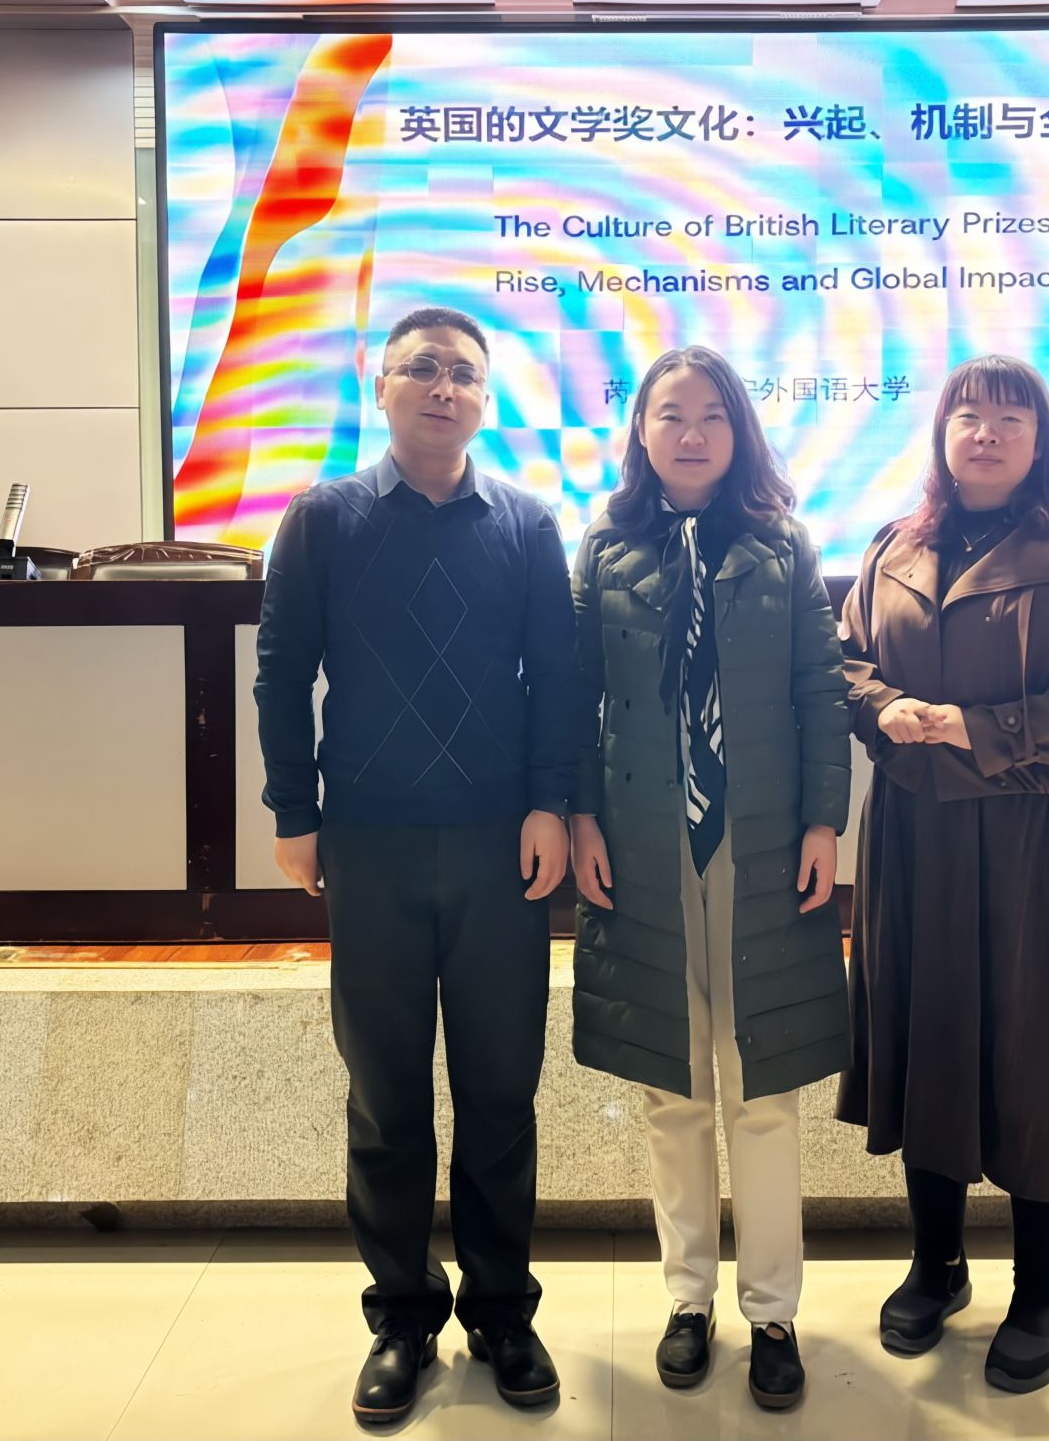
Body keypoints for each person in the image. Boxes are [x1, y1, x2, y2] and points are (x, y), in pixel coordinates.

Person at [255, 307, 579, 1426]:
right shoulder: (323, 517)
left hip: (499, 848)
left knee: (500, 1090)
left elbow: (557, 677)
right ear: (381, 383)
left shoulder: (526, 522)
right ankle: (400, 1316)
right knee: (386, 1094)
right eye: (424, 369)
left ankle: (501, 1310)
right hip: (371, 843)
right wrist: (293, 811)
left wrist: (549, 802)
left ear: (485, 400)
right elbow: (281, 669)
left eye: (465, 375)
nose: (445, 388)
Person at [837, 353, 1049, 1394]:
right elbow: (842, 660)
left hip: (1034, 838)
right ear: (940, 432)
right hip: (914, 834)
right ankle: (935, 1264)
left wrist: (979, 728)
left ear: (1040, 438)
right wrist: (883, 704)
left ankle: (1040, 1288)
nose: (985, 432)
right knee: (925, 1038)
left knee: (1035, 1051)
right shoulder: (893, 546)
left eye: (1010, 418)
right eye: (967, 414)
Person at [568, 345, 851, 1412]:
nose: (690, 433)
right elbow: (574, 695)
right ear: (639, 429)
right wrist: (581, 814)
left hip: (762, 838)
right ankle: (686, 1298)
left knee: (763, 1085)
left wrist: (824, 819)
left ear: (739, 431)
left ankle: (772, 1309)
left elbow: (820, 688)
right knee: (672, 1084)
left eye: (711, 415)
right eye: (669, 413)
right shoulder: (603, 545)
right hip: (641, 842)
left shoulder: (783, 543)